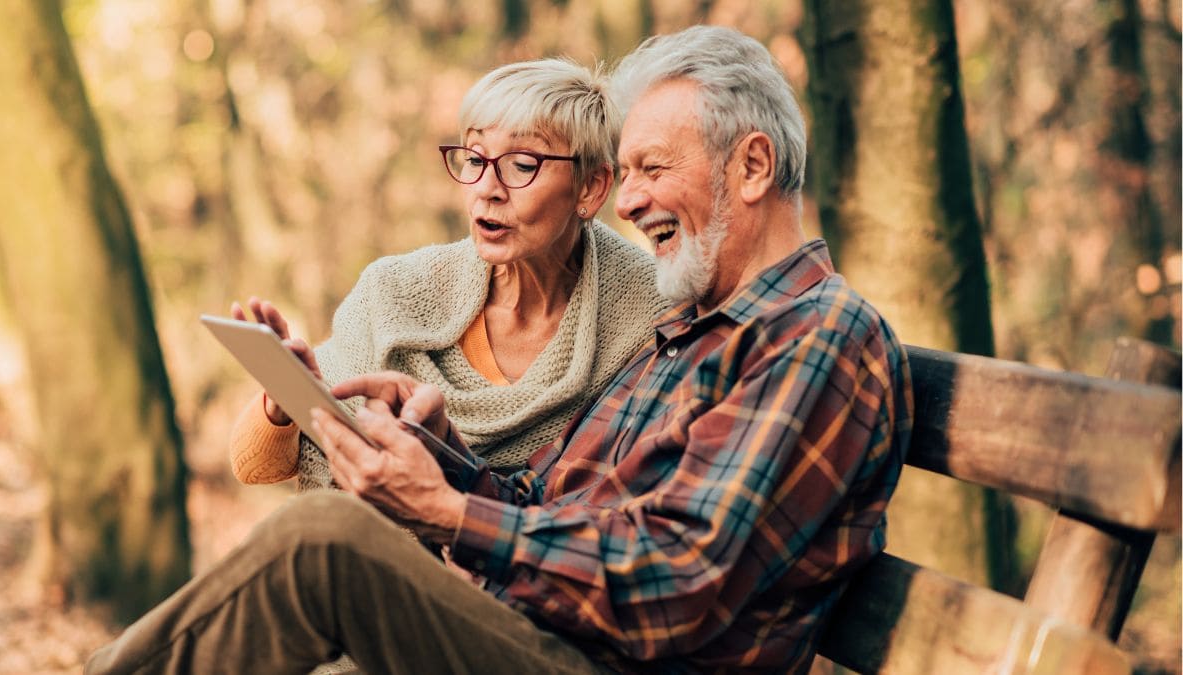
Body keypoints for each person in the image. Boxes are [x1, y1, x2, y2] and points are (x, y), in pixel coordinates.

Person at [88, 25, 913, 674]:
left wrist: (447, 512)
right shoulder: (695, 330)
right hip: (551, 639)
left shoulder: (816, 338)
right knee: (327, 527)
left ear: (754, 166)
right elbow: (549, 503)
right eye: (626, 173)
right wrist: (436, 458)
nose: (629, 200)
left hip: (609, 662)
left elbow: (682, 582)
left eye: (651, 168)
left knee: (325, 544)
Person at [227, 58, 666, 489]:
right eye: (474, 159)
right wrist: (286, 396)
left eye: (522, 165)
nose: (486, 190)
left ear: (591, 186)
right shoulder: (396, 292)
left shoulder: (653, 315)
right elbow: (254, 467)